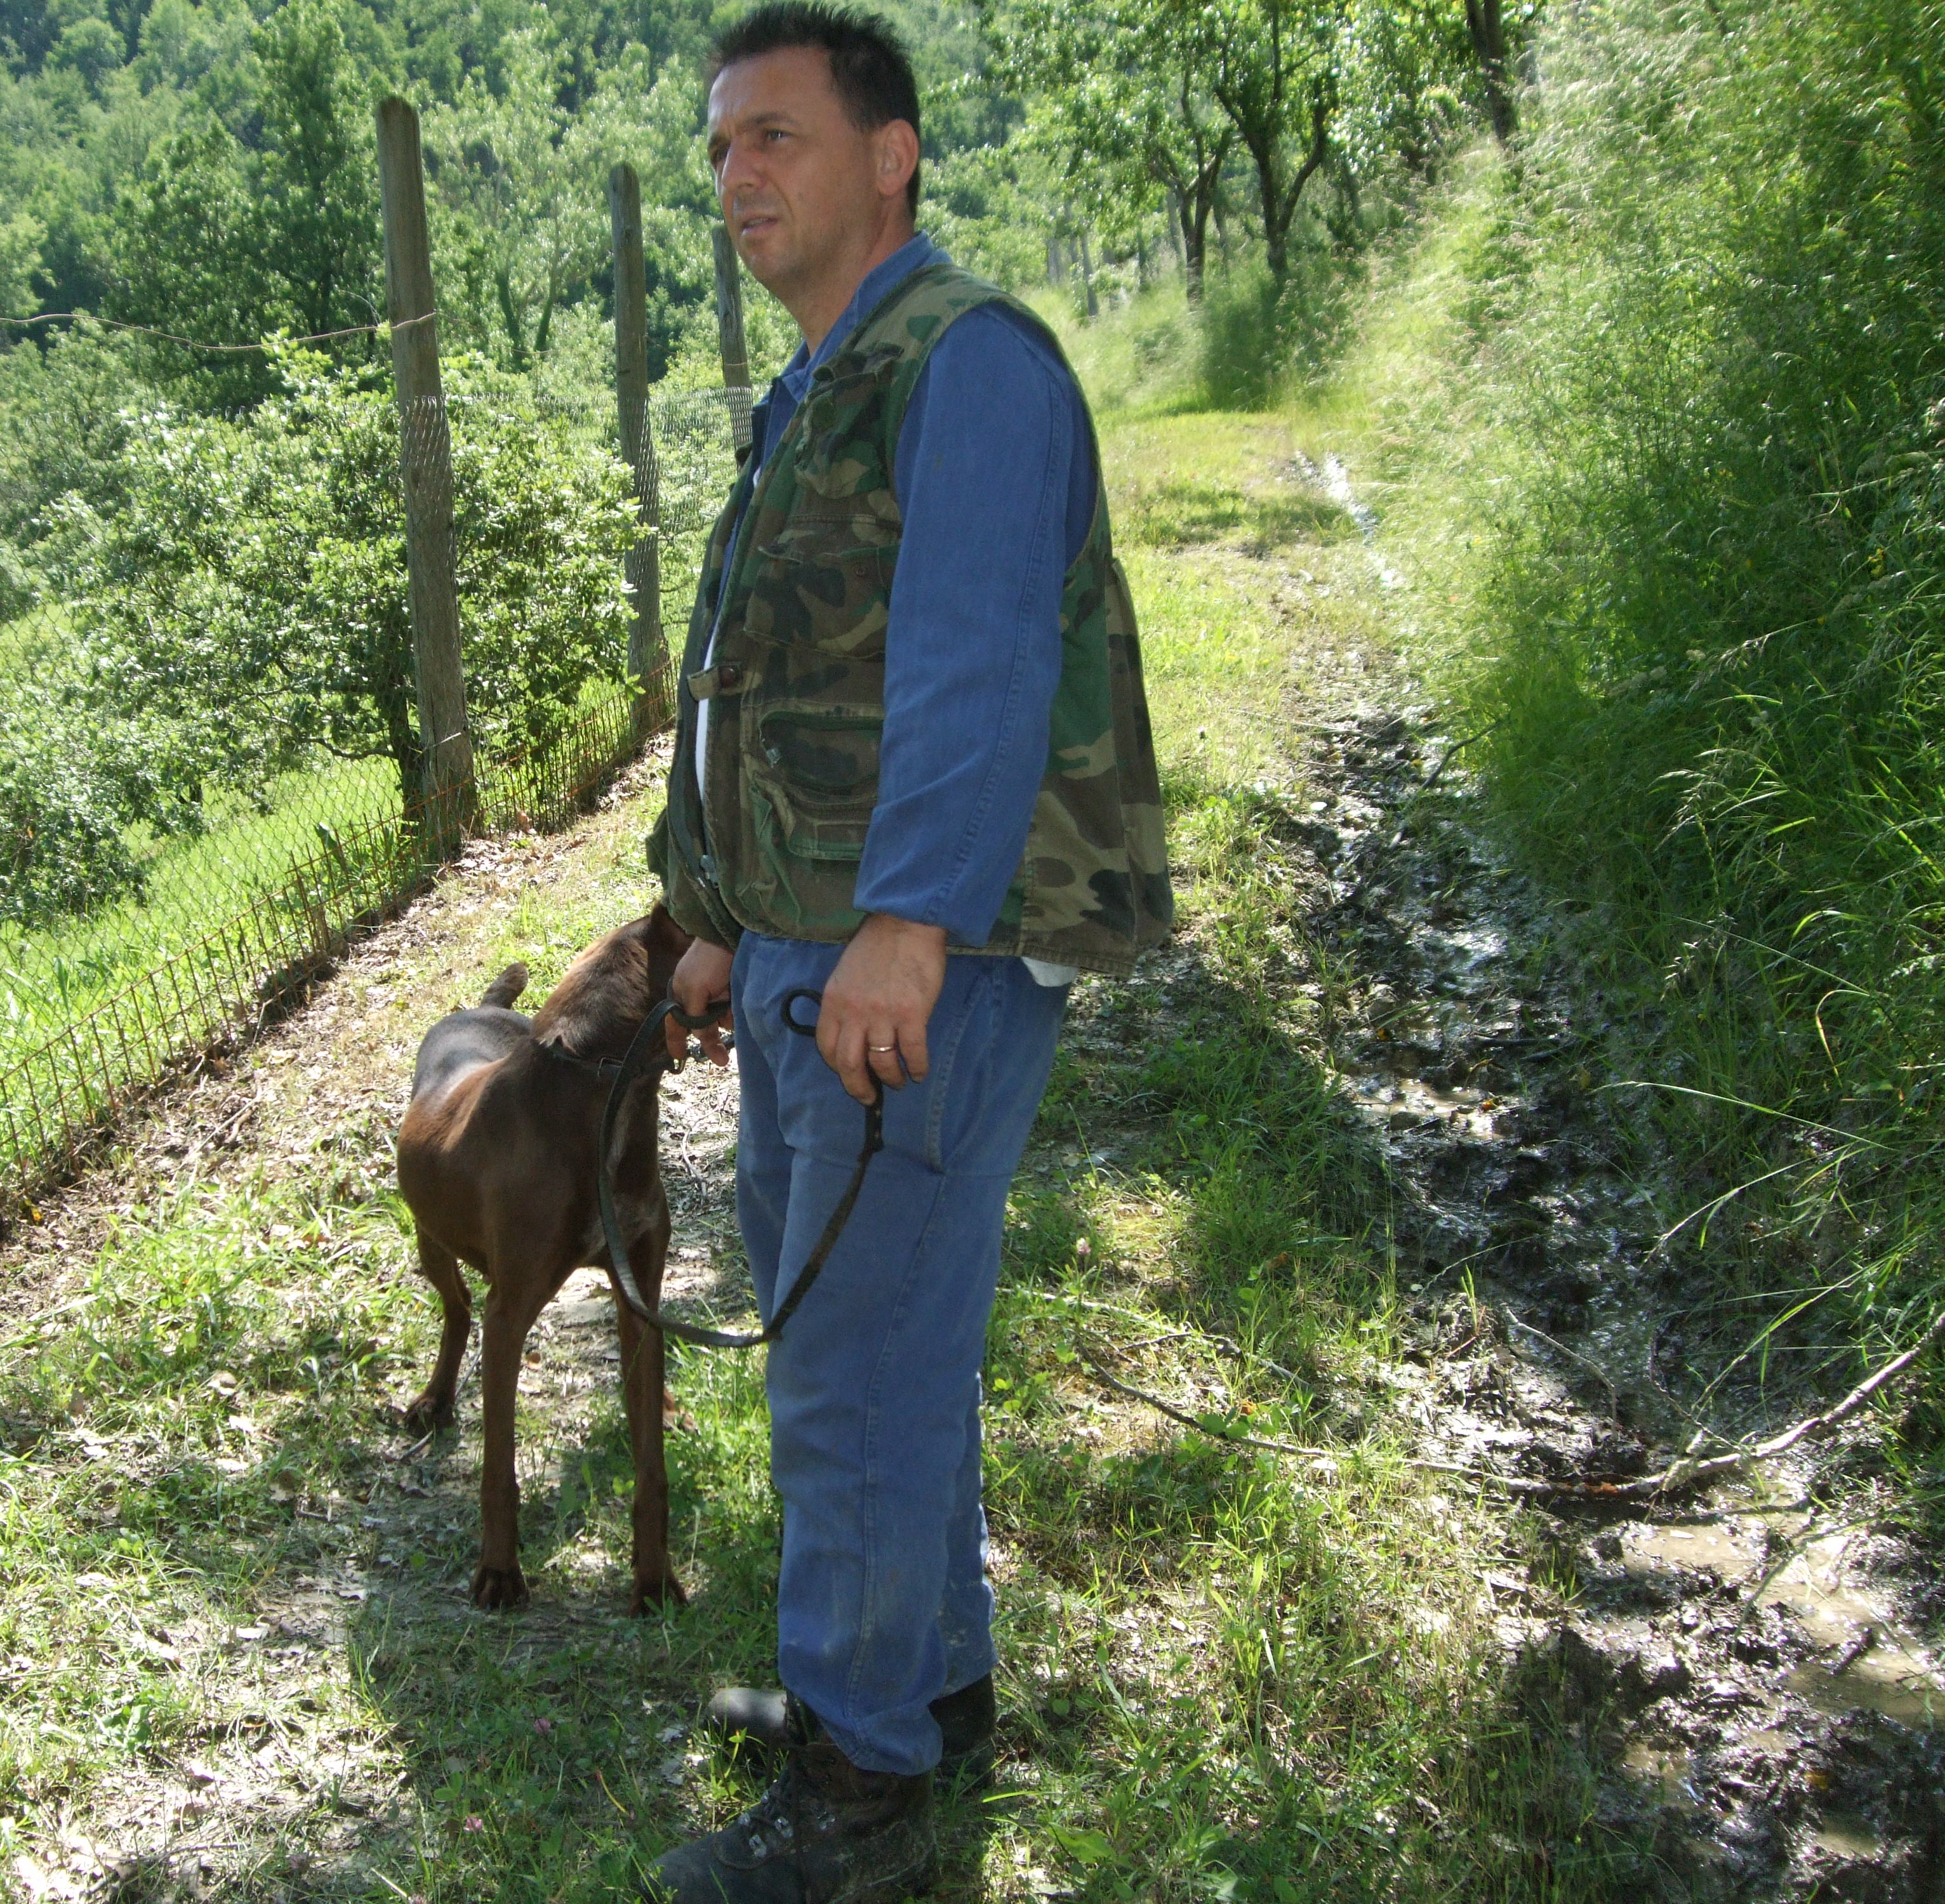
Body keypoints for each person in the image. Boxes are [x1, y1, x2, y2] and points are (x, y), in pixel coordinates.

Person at [642, 6, 1174, 1900]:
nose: (739, 178)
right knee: (881, 1348)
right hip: (809, 958)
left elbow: (971, 670)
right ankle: (924, 1686)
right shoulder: (823, 380)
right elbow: (774, 689)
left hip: (900, 973)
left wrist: (900, 927)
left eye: (776, 137)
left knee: (851, 1377)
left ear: (895, 156)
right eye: (719, 149)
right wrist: (719, 923)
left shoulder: (967, 365)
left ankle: (859, 1801)